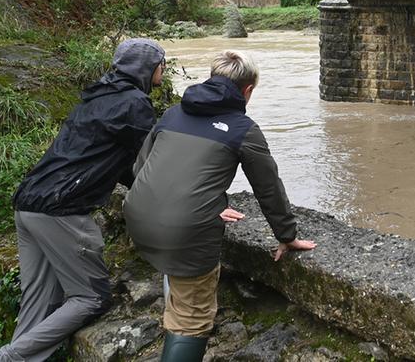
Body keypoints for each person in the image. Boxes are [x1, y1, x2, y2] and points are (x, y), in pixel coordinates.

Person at [124, 50, 315, 361]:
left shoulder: (172, 113)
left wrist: (206, 200)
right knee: (192, 319)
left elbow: (140, 169)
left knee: (179, 285)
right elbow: (268, 189)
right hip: (184, 232)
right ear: (248, 90)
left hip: (138, 216)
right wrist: (287, 235)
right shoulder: (243, 128)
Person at [0, 38, 167, 362]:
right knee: (92, 298)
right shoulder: (135, 102)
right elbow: (154, 160)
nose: (163, 71)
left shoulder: (98, 94)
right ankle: (2, 360)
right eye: (161, 64)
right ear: (149, 68)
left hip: (29, 203)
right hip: (61, 209)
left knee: (40, 301)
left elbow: (122, 162)